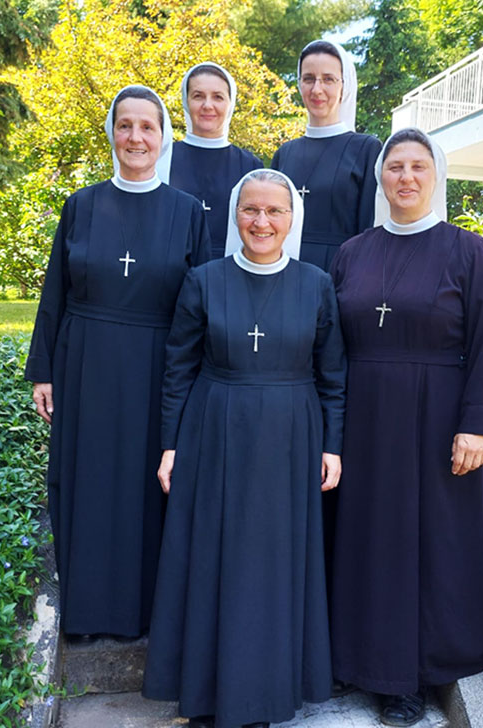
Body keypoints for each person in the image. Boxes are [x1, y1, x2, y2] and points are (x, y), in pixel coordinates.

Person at [142, 169, 346, 728]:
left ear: (292, 219)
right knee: (213, 558)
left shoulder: (315, 284)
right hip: (215, 431)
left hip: (291, 438)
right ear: (235, 216)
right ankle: (207, 695)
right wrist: (170, 446)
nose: (262, 222)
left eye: (275, 211)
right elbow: (178, 371)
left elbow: (333, 375)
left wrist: (332, 445)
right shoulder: (204, 281)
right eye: (251, 210)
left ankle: (264, 698)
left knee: (273, 565)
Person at [328, 128, 483, 726]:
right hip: (365, 420)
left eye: (418, 167)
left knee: (429, 543)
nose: (405, 177)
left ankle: (416, 674)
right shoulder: (352, 253)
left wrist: (477, 425)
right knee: (369, 540)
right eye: (395, 167)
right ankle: (364, 662)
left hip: (439, 422)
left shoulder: (470, 253)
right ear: (381, 177)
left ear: (436, 176)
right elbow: (333, 345)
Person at [25, 85, 210, 640]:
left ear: (163, 137)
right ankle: (85, 613)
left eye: (147, 127)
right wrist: (43, 370)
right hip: (85, 362)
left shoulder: (186, 212)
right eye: (124, 125)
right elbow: (55, 292)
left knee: (144, 487)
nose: (135, 137)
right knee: (86, 480)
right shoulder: (81, 205)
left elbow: (200, 304)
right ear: (111, 133)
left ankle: (141, 613)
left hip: (156, 365)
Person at [271, 40, 381, 272]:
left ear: (344, 85)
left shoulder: (367, 149)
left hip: (341, 271)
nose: (317, 89)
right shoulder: (284, 154)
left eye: (328, 79)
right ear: (299, 84)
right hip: (282, 271)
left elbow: (368, 228)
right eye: (309, 79)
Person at [164, 62, 263, 260]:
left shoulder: (250, 165)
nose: (207, 105)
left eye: (218, 97)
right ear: (186, 101)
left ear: (230, 103)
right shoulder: (163, 158)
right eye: (198, 96)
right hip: (171, 267)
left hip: (230, 269)